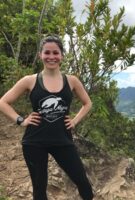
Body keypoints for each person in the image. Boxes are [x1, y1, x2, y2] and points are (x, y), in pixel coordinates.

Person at [0, 35, 94, 200]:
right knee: (39, 189)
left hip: (63, 141)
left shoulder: (71, 81)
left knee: (83, 183)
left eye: (56, 53)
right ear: (40, 55)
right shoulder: (29, 80)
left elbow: (88, 103)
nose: (51, 57)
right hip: (34, 142)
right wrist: (21, 120)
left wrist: (74, 121)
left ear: (62, 55)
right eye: (47, 52)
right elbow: (3, 102)